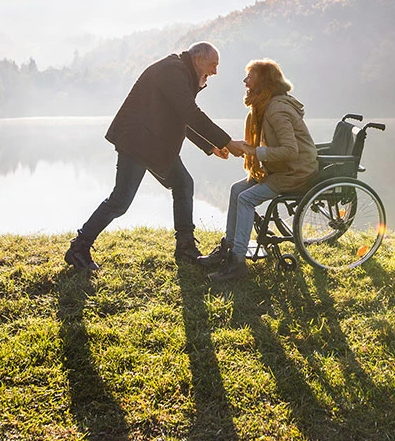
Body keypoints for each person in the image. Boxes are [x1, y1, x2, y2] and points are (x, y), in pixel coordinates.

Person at [65, 42, 248, 270]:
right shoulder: (173, 71)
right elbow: (190, 114)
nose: (215, 71)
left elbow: (181, 116)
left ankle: (185, 249)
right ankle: (79, 248)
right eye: (213, 65)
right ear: (198, 59)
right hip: (137, 142)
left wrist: (211, 146)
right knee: (120, 200)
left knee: (182, 183)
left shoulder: (182, 72)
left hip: (153, 143)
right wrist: (227, 142)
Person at [198, 58, 318, 282]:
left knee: (246, 198)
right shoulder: (267, 105)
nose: (245, 81)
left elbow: (290, 151)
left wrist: (255, 153)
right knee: (237, 189)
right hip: (280, 168)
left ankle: (237, 262)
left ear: (264, 82)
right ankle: (228, 249)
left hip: (294, 171)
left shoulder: (276, 110)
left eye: (249, 77)